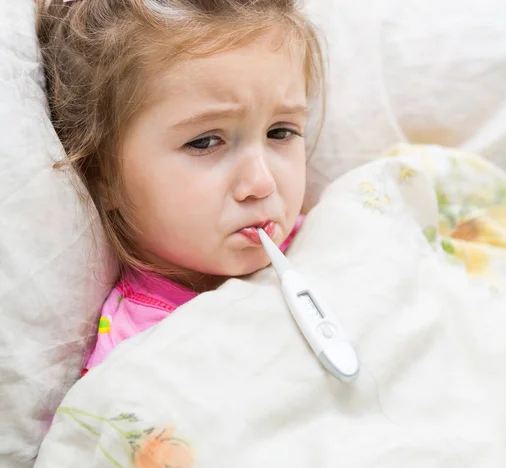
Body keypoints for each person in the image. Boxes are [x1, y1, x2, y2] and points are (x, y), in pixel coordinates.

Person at [36, 0, 323, 371]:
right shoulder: (140, 357)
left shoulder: (331, 236)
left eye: (280, 132)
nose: (261, 183)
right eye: (204, 142)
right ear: (102, 174)